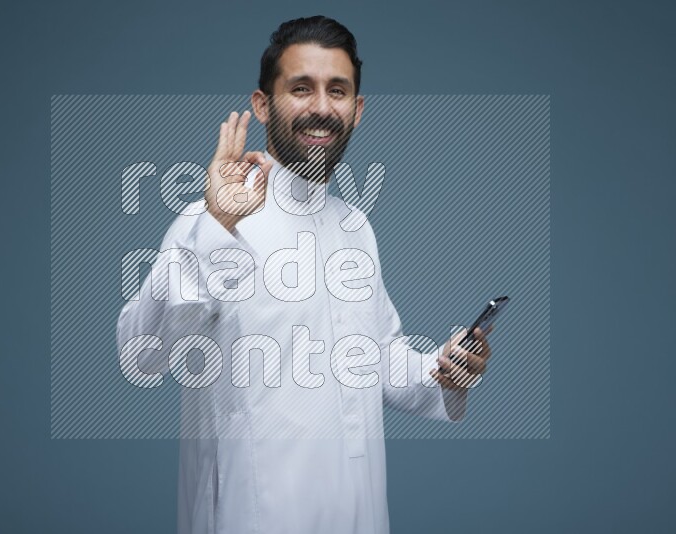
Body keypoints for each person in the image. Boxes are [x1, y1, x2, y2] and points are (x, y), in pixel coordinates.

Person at [116, 15, 493, 534]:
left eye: (337, 90)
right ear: (262, 105)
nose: (321, 107)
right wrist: (217, 226)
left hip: (360, 514)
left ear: (357, 110)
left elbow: (377, 358)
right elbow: (141, 354)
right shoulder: (210, 221)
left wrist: (444, 369)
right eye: (301, 88)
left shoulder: (354, 226)